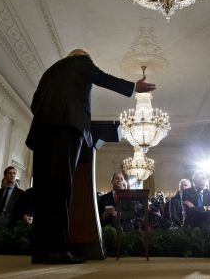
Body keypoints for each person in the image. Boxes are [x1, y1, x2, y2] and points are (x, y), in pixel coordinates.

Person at [25, 48, 155, 264]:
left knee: (43, 191)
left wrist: (50, 116)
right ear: (83, 57)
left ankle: (40, 250)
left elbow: (34, 104)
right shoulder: (82, 64)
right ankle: (57, 250)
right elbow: (103, 78)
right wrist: (134, 87)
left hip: (41, 132)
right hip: (67, 128)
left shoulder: (49, 72)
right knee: (61, 188)